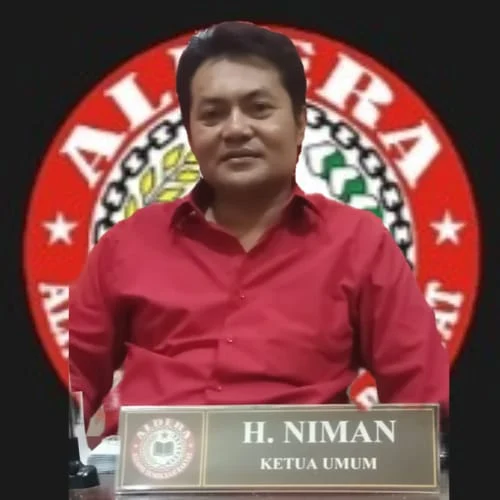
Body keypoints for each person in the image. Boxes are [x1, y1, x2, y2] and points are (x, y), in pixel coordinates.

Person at [69, 21, 449, 437]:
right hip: (151, 460)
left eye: (259, 108)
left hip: (301, 466)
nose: (235, 129)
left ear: (300, 124)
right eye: (212, 115)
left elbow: (424, 395)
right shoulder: (126, 245)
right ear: (190, 134)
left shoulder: (359, 242)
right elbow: (72, 377)